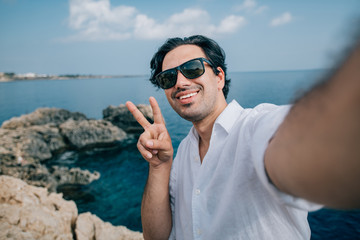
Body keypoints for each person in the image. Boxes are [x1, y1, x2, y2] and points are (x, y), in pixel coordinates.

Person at [126, 35, 360, 240]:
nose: (180, 82)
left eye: (193, 69)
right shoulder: (184, 153)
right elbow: (156, 236)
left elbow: (298, 145)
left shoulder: (253, 127)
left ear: (219, 77)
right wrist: (159, 166)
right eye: (168, 78)